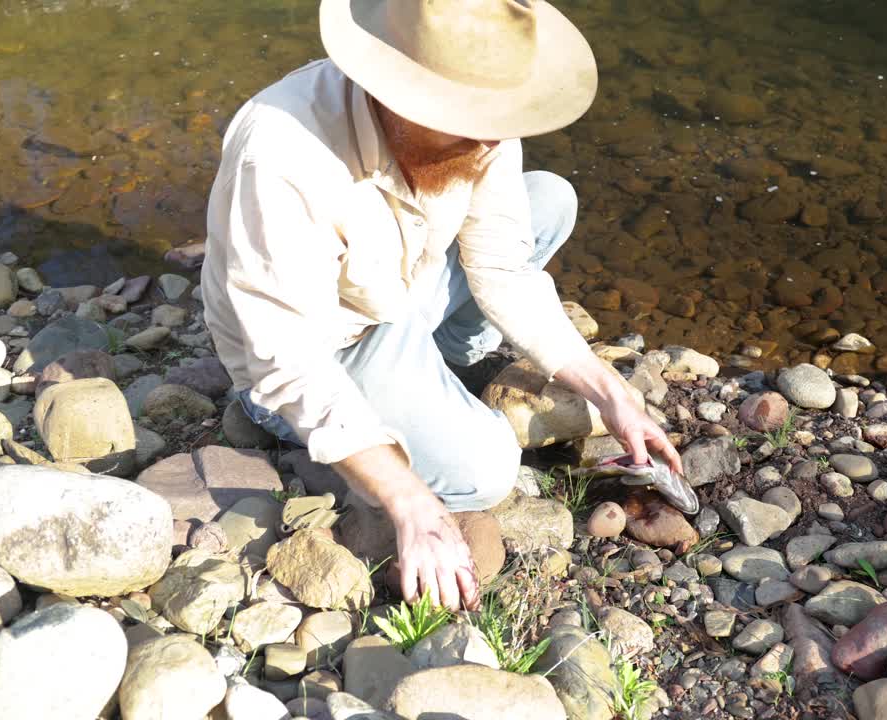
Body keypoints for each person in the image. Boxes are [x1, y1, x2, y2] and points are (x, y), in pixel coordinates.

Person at [201, 0, 682, 611]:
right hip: (326, 348)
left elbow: (504, 267)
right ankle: (399, 408)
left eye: (498, 117)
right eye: (466, 120)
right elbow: (286, 362)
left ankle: (440, 367)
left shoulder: (482, 124)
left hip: (399, 294)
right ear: (394, 91)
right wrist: (409, 502)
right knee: (487, 469)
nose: (491, 138)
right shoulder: (282, 156)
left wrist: (611, 394)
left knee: (548, 199)